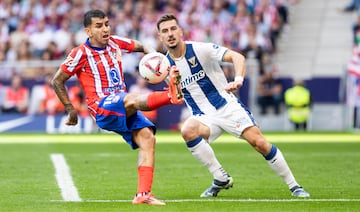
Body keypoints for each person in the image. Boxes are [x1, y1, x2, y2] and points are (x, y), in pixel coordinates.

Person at [156, 14, 310, 198]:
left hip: (226, 106)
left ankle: (295, 186)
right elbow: (179, 98)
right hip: (203, 116)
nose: (170, 33)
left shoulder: (199, 49)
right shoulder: (165, 67)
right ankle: (220, 177)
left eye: (173, 29)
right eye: (165, 31)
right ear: (160, 37)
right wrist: (174, 91)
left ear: (181, 31)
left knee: (259, 143)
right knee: (187, 130)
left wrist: (238, 79)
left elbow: (237, 57)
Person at [51, 9, 183, 206]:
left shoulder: (114, 42)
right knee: (129, 99)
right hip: (101, 107)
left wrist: (155, 58)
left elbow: (141, 46)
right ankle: (170, 96)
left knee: (148, 138)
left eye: (106, 24)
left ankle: (143, 195)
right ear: (88, 32)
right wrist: (70, 109)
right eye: (99, 26)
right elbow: (57, 81)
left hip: (120, 104)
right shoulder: (80, 53)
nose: (105, 29)